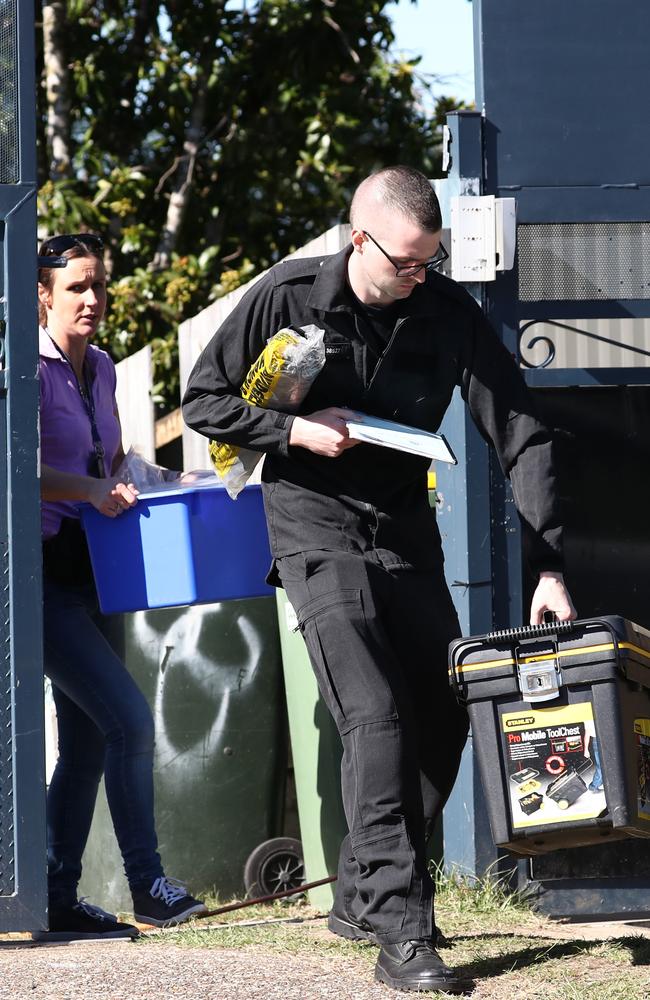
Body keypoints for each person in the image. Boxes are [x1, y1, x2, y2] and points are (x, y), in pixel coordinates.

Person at [182, 167, 576, 994]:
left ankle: (362, 888)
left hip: (402, 532)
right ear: (360, 238)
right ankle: (402, 930)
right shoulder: (286, 297)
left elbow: (524, 433)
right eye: (404, 261)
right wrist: (292, 429)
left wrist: (549, 565)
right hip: (314, 532)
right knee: (375, 711)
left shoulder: (443, 309)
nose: (417, 276)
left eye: (428, 263)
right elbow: (205, 401)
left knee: (445, 706)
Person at [37, 233, 207, 940]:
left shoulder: (101, 369)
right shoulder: (21, 371)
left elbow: (116, 462)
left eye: (99, 285)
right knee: (130, 722)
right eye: (77, 287)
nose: (93, 300)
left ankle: (55, 898)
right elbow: (16, 472)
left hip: (98, 571)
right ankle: (149, 884)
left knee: (85, 748)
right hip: (40, 578)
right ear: (42, 295)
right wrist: (89, 489)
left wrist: (175, 480)